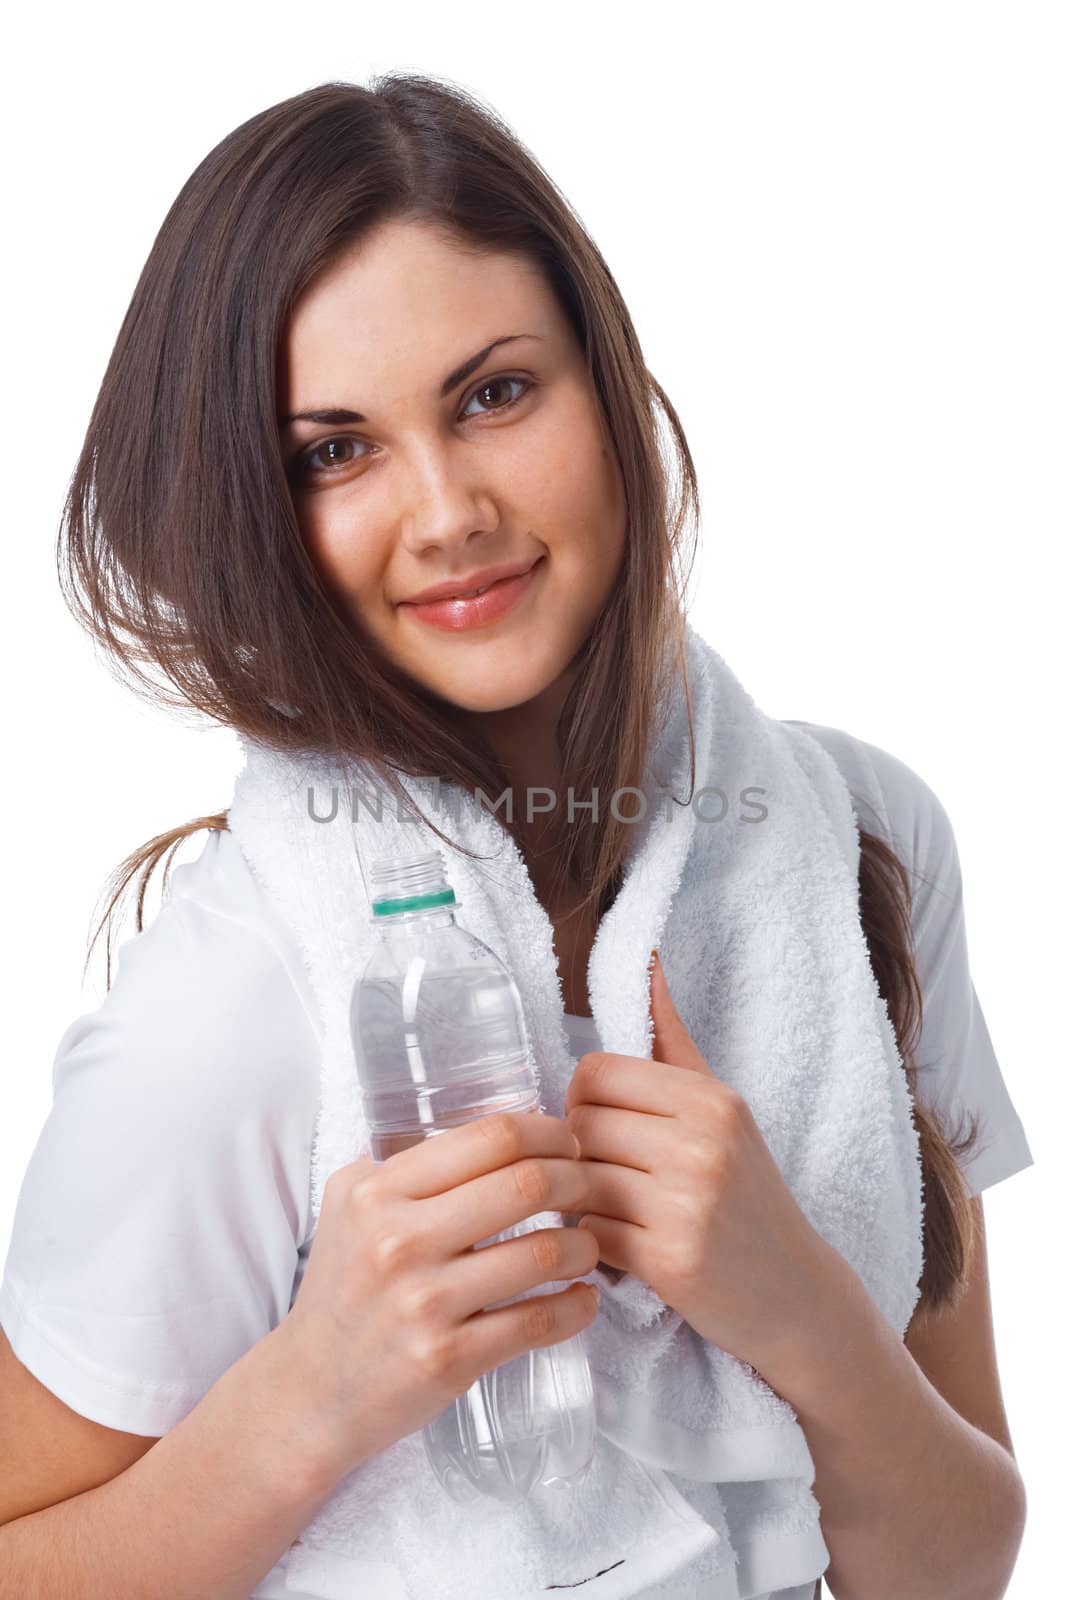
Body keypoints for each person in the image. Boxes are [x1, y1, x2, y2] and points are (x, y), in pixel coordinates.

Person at [0, 74, 1032, 1599]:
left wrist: (801, 1310)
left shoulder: (862, 846)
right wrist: (317, 1392)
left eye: (494, 394)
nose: (448, 512)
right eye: (331, 452)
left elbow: (960, 1562)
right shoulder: (228, 1006)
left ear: (608, 391)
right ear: (249, 514)